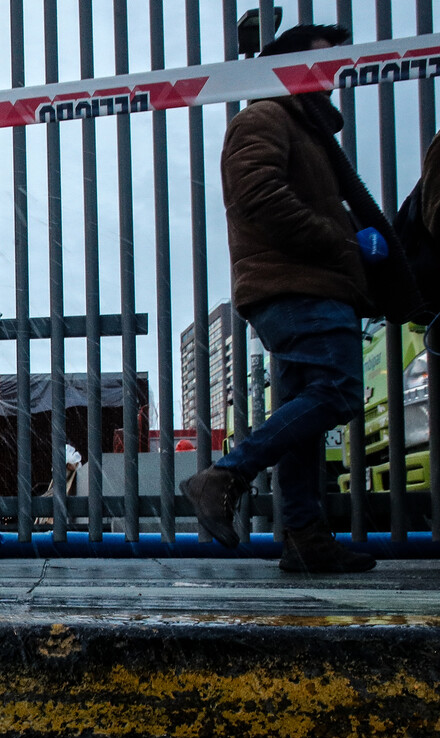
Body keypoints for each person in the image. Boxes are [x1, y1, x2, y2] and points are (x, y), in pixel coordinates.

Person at [181, 24, 388, 574]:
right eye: (321, 64)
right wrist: (344, 238)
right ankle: (225, 475)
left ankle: (303, 536)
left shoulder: (305, 132)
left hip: (305, 284)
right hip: (298, 285)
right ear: (288, 68)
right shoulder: (266, 117)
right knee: (340, 392)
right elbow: (258, 195)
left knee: (308, 413)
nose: (331, 76)